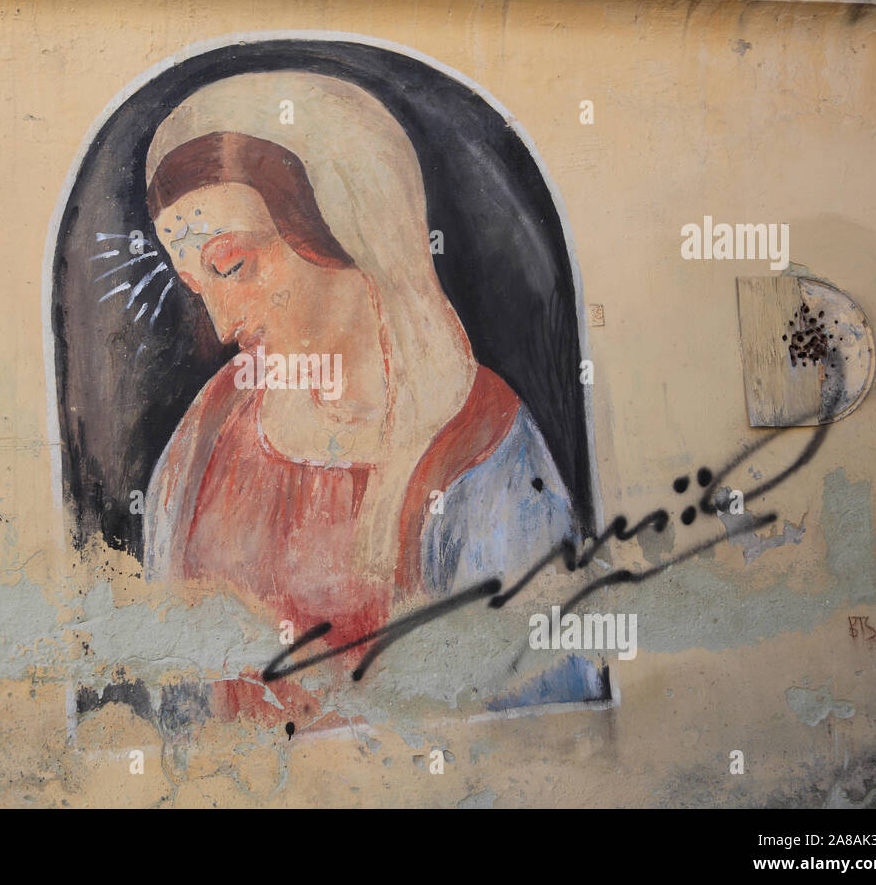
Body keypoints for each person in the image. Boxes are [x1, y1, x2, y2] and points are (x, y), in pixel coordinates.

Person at [134, 72, 579, 709]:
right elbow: (171, 693)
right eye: (199, 285)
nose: (225, 325)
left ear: (346, 229)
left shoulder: (475, 443)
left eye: (234, 266)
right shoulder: (207, 430)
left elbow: (537, 720)